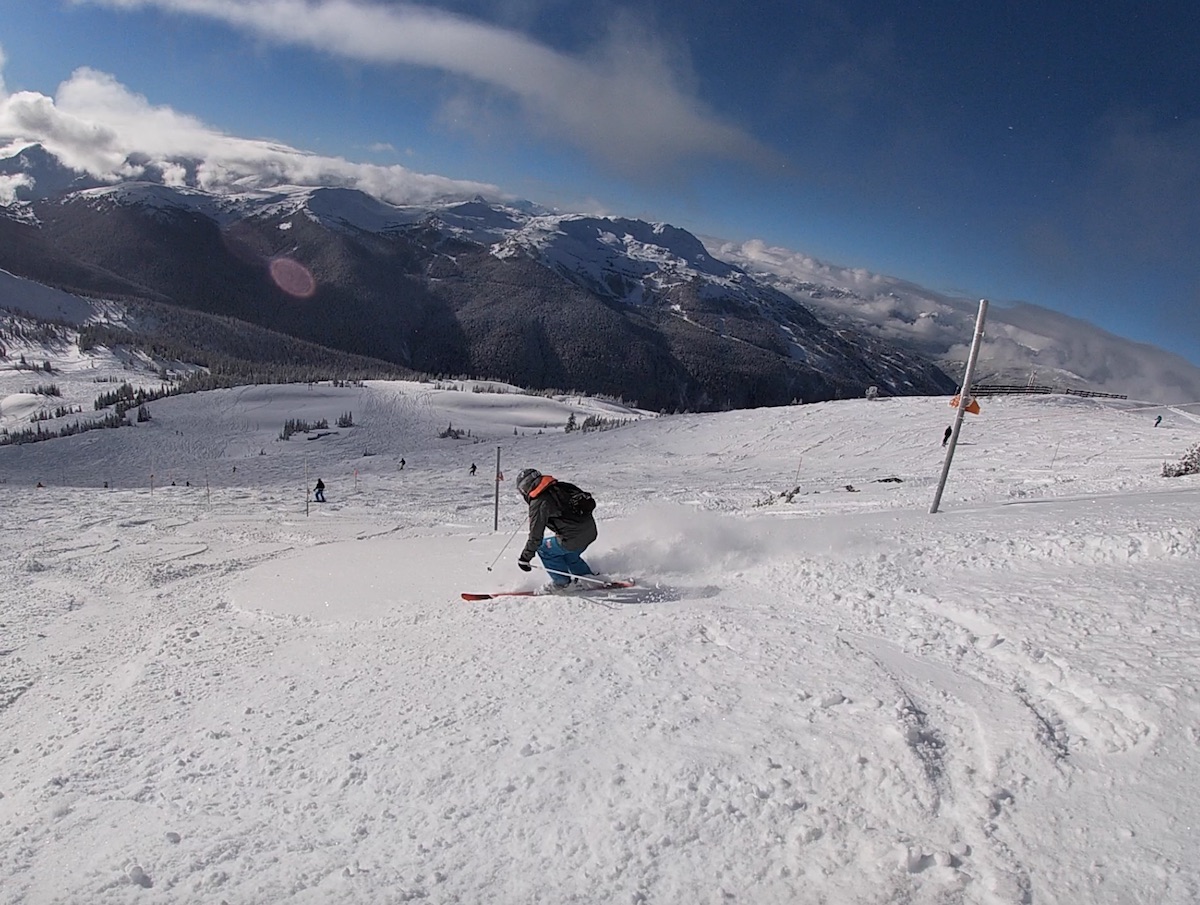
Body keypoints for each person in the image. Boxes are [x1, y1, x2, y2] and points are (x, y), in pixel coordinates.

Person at [515, 468, 597, 592]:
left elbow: (536, 536)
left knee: (544, 548)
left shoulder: (539, 501)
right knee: (569, 554)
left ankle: (562, 583)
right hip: (591, 532)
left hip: (572, 539)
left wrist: (525, 558)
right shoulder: (562, 486)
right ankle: (586, 577)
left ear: (526, 487)